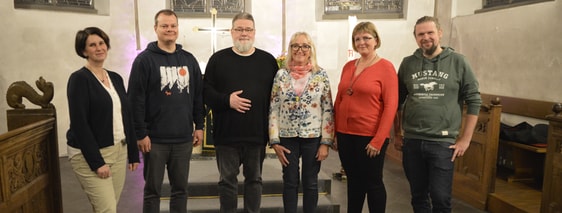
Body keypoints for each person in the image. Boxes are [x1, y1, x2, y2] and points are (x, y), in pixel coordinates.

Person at [393, 16, 481, 213]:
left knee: (441, 199)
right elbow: (396, 102)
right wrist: (397, 134)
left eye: (430, 32)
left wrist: (466, 139)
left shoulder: (458, 61)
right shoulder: (408, 64)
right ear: (415, 37)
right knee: (418, 197)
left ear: (440, 33)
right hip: (413, 141)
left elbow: (474, 99)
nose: (426, 37)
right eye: (420, 34)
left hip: (442, 143)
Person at [127, 9, 205, 213]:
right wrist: (141, 133)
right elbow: (135, 101)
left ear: (177, 29)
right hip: (155, 140)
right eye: (164, 26)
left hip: (183, 139)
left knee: (180, 190)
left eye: (173, 26)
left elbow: (198, 96)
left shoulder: (189, 60)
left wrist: (200, 126)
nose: (169, 29)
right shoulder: (144, 61)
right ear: (156, 29)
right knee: (152, 190)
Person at [203, 12, 279, 213]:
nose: (243, 33)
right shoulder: (218, 60)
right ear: (231, 32)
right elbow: (206, 93)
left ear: (254, 32)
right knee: (227, 181)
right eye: (239, 29)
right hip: (227, 135)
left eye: (248, 29)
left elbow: (276, 97)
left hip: (256, 134)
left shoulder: (268, 60)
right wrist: (227, 100)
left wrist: (273, 134)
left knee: (254, 180)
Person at [67, 26, 140, 213]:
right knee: (107, 209)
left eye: (101, 43)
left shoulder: (115, 78)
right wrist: (97, 162)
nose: (99, 48)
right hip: (89, 154)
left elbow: (126, 116)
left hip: (118, 150)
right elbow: (79, 124)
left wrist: (132, 151)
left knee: (108, 206)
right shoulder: (79, 79)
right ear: (83, 51)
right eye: (92, 45)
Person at [333, 21, 398, 213]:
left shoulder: (385, 67)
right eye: (357, 38)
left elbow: (391, 105)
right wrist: (335, 132)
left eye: (366, 38)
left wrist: (378, 140)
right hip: (345, 134)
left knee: (373, 182)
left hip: (369, 136)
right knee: (353, 181)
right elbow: (340, 99)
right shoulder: (348, 66)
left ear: (376, 40)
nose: (362, 42)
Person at [269, 32, 334, 213]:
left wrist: (325, 143)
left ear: (310, 49)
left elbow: (328, 108)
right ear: (290, 49)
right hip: (287, 137)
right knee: (290, 181)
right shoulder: (281, 75)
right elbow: (273, 107)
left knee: (311, 182)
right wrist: (274, 141)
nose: (300, 50)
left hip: (313, 137)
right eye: (295, 46)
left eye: (305, 46)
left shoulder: (320, 75)